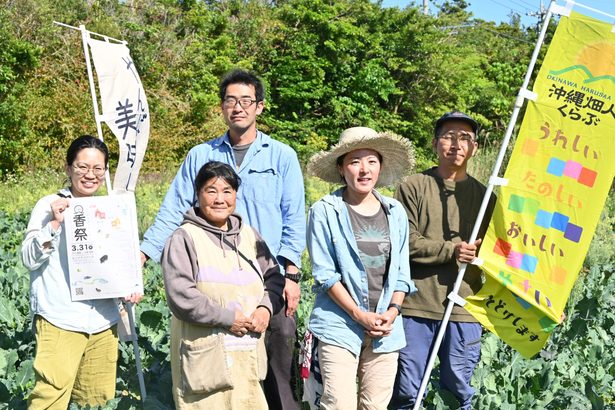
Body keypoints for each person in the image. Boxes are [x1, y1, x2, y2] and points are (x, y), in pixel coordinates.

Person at [140, 68, 305, 409]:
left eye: (246, 100)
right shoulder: (200, 155)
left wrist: (291, 273)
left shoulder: (281, 156)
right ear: (222, 107)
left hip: (266, 280)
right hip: (213, 281)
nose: (238, 107)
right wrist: (142, 255)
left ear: (259, 107)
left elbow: (294, 218)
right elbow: (173, 209)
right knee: (217, 366)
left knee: (277, 357)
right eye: (231, 100)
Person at [389, 111, 496, 410]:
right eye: (448, 136)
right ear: (435, 143)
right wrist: (452, 250)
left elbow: (502, 256)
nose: (456, 144)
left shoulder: (486, 198)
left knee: (458, 393)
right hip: (415, 306)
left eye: (465, 138)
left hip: (464, 307)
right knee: (407, 391)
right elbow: (404, 243)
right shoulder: (412, 187)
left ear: (474, 148)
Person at [306, 126, 417, 410]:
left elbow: (402, 274)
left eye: (371, 161)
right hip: (339, 324)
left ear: (380, 167)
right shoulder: (324, 211)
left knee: (375, 406)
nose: (364, 170)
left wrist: (392, 312)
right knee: (338, 404)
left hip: (386, 328)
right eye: (354, 162)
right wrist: (358, 314)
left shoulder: (395, 212)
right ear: (342, 169)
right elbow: (325, 274)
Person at [162, 161, 285, 408]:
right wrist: (229, 318)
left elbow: (274, 277)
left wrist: (264, 309)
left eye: (227, 191)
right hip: (206, 364)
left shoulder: (249, 235)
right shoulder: (184, 238)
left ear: (236, 196)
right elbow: (182, 296)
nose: (220, 199)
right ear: (198, 195)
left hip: (247, 359)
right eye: (211, 190)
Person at [21, 135, 121, 408]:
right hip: (61, 318)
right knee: (49, 398)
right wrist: (53, 225)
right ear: (68, 169)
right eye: (82, 167)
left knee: (97, 400)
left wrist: (129, 285)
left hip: (103, 319)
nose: (91, 175)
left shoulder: (108, 209)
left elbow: (118, 262)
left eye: (98, 168)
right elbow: (28, 258)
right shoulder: (49, 205)